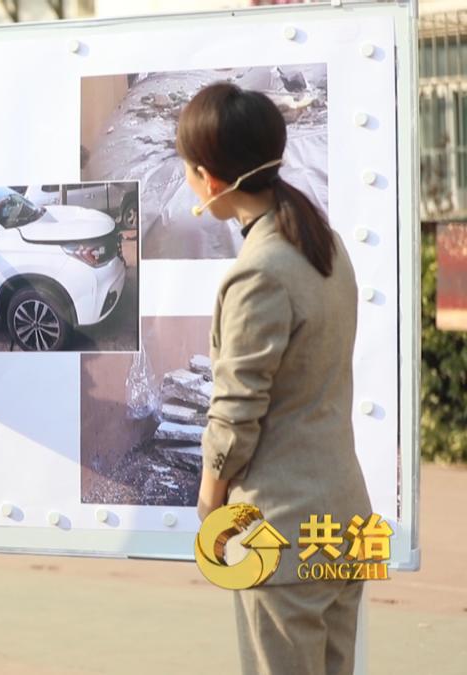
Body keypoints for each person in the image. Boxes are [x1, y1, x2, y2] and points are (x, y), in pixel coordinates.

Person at [178, 82, 372, 675]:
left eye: (188, 170)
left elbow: (236, 411)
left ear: (210, 179)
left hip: (280, 531)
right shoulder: (324, 243)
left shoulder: (258, 272)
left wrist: (210, 506)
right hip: (343, 520)